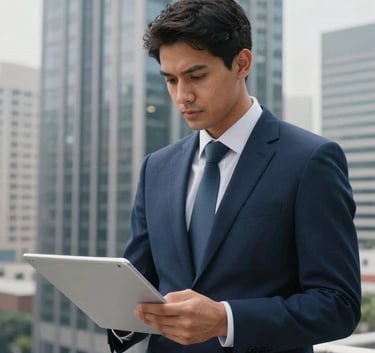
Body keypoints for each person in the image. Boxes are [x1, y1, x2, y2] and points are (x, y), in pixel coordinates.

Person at [107, 0, 361, 352]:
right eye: (171, 80)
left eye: (197, 76)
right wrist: (119, 319)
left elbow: (338, 305)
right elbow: (140, 284)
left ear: (241, 63)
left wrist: (226, 319)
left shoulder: (310, 162)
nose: (183, 96)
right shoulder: (156, 168)